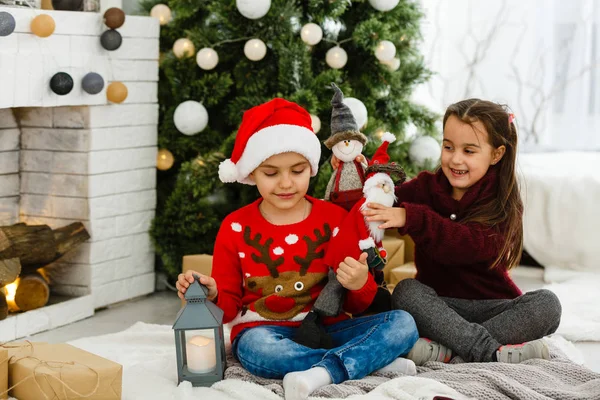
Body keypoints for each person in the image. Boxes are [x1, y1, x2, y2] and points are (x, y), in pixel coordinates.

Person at [177, 98, 419, 400]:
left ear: (312, 168)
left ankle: (325, 371)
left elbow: (357, 307)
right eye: (271, 173)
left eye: (297, 170)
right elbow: (226, 311)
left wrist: (359, 283)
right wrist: (211, 293)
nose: (286, 183)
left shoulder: (334, 219)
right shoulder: (235, 226)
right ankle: (365, 362)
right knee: (258, 351)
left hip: (327, 328)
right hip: (264, 332)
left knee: (403, 323)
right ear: (252, 172)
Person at [333, 98, 562, 365]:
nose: (455, 159)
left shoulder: (504, 203)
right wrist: (349, 174)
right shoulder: (426, 188)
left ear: (496, 154)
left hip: (494, 307)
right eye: (448, 146)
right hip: (440, 309)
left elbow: (467, 245)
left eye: (469, 151)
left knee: (548, 304)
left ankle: (455, 352)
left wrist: (412, 217)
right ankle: (488, 352)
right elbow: (370, 203)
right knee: (406, 292)